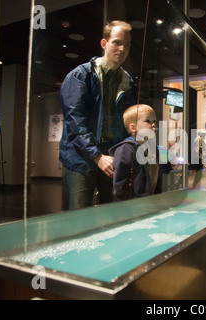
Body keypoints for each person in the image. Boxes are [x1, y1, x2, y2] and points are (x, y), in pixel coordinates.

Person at [59, 21, 137, 210]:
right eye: (117, 42)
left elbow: (129, 124)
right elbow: (75, 121)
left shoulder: (129, 83)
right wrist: (97, 157)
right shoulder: (80, 75)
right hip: (80, 160)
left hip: (112, 160)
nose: (122, 49)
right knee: (78, 220)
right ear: (104, 43)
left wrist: (126, 156)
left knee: (111, 217)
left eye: (127, 45)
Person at [109, 104, 162, 201]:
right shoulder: (126, 149)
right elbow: (120, 185)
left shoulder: (153, 149)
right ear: (133, 128)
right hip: (132, 206)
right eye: (148, 121)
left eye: (154, 121)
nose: (153, 124)